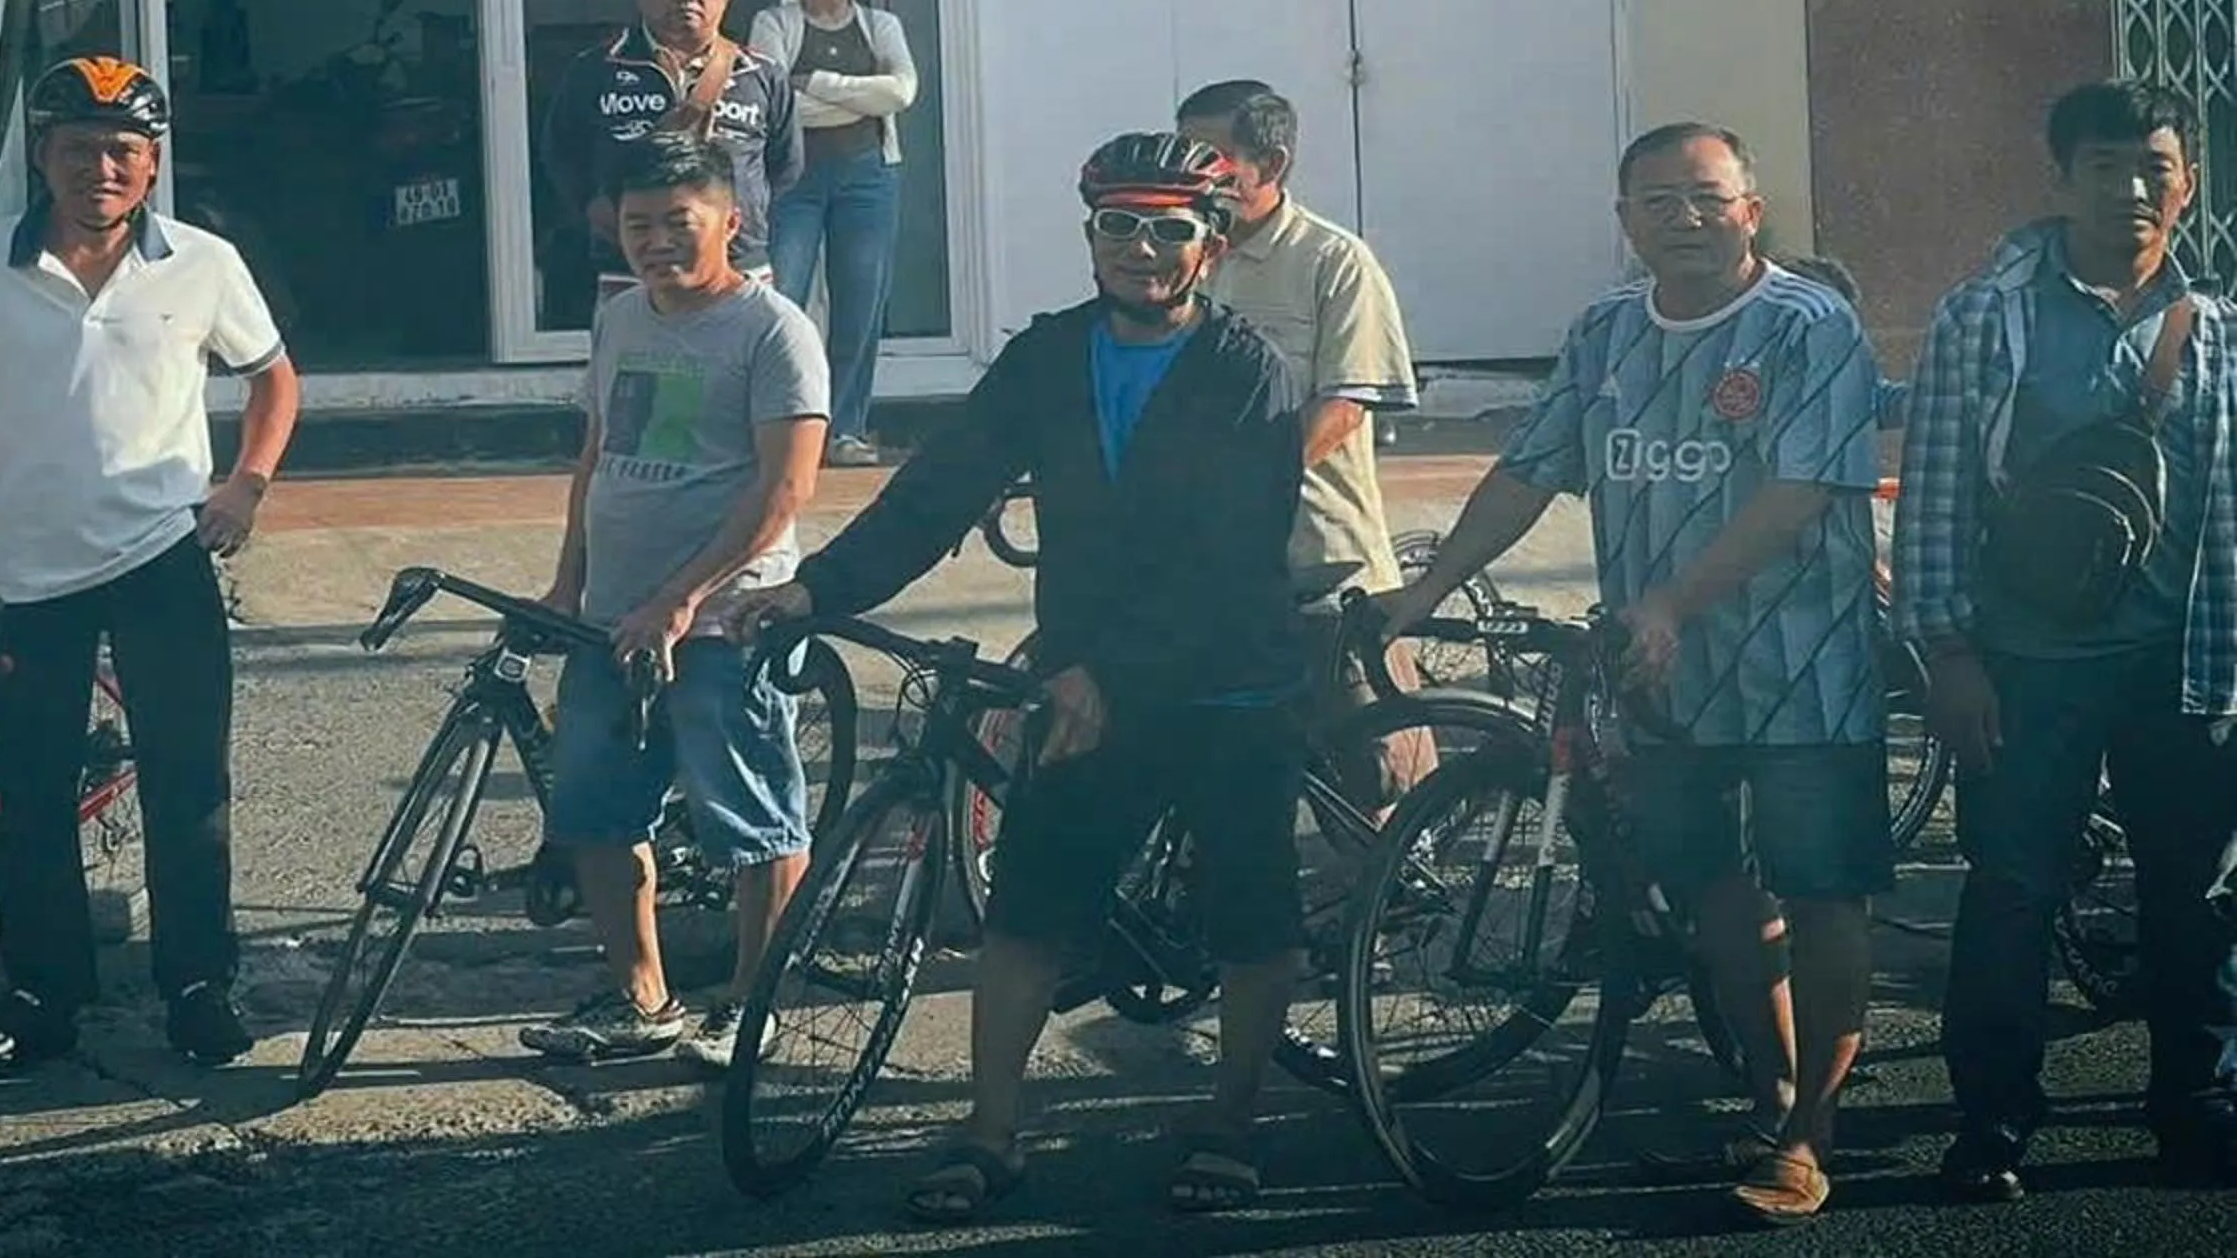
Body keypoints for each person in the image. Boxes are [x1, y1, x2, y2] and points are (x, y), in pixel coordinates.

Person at [728, 133, 1305, 1224]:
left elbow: (1224, 553)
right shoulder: (1048, 355)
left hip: (1229, 677)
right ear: (1090, 234)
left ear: (1211, 244)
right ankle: (991, 1132)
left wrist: (1108, 670)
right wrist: (818, 588)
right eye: (1118, 225)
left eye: (1169, 227)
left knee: (1250, 909)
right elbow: (940, 488)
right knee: (1030, 905)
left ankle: (1231, 1118)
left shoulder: (1247, 373)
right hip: (1084, 678)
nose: (1141, 247)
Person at [1383, 122, 1888, 1223]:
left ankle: (1812, 1138)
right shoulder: (1608, 329)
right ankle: (1771, 1092)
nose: (1686, 218)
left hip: (1808, 671)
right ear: (1625, 222)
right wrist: (1421, 594)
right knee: (1714, 890)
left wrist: (1669, 599)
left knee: (1819, 892)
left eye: (1707, 197)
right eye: (1657, 201)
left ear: (1751, 208)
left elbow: (1797, 490)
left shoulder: (1812, 327)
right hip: (1664, 682)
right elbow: (1529, 469)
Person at [0, 56, 302, 1070]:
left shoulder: (203, 260)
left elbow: (273, 377)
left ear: (150, 167)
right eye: (79, 147)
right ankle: (41, 990)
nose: (101, 166)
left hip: (162, 557)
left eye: (124, 151)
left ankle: (197, 983)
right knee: (32, 791)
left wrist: (246, 486)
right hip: (30, 571)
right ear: (43, 156)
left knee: (189, 786)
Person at [1895, 80, 2237, 1199]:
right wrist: (1947, 652)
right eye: (2105, 166)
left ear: (2187, 184)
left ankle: (2192, 1103)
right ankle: (1993, 1120)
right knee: (2011, 889)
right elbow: (1936, 491)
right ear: (2062, 177)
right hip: (2024, 668)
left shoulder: (2218, 324)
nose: (2133, 188)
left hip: (2185, 668)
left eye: (2156, 167)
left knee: (2192, 896)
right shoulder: (1985, 314)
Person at [519, 133, 826, 1069]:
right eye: (637, 224)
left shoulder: (774, 331)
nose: (654, 241)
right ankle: (639, 999)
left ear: (730, 222)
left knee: (752, 817)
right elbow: (599, 452)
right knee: (599, 813)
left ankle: (751, 1000)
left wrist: (684, 598)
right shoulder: (620, 319)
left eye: (676, 223)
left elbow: (785, 491)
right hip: (613, 615)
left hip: (730, 619)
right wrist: (568, 582)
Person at [1172, 79, 1428, 803]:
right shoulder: (1179, 254)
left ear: (1272, 164)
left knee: (1375, 778)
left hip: (1322, 565)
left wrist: (1247, 487)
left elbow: (1344, 406)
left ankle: (1391, 909)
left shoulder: (1332, 262)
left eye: (1213, 157)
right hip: (1209, 577)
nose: (1194, 172)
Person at [539, 0, 799, 308]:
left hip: (738, 265)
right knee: (640, 368)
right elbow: (559, 154)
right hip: (629, 267)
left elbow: (786, 165)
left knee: (742, 367)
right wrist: (598, 209)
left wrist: (741, 214)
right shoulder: (595, 70)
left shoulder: (761, 74)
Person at [751, 0, 920, 467]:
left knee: (860, 306)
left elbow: (901, 93)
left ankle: (845, 429)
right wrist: (859, 97)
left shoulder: (881, 26)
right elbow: (773, 103)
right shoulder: (773, 24)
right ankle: (778, 428)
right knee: (782, 305)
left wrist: (821, 86)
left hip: (869, 177)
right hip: (792, 181)